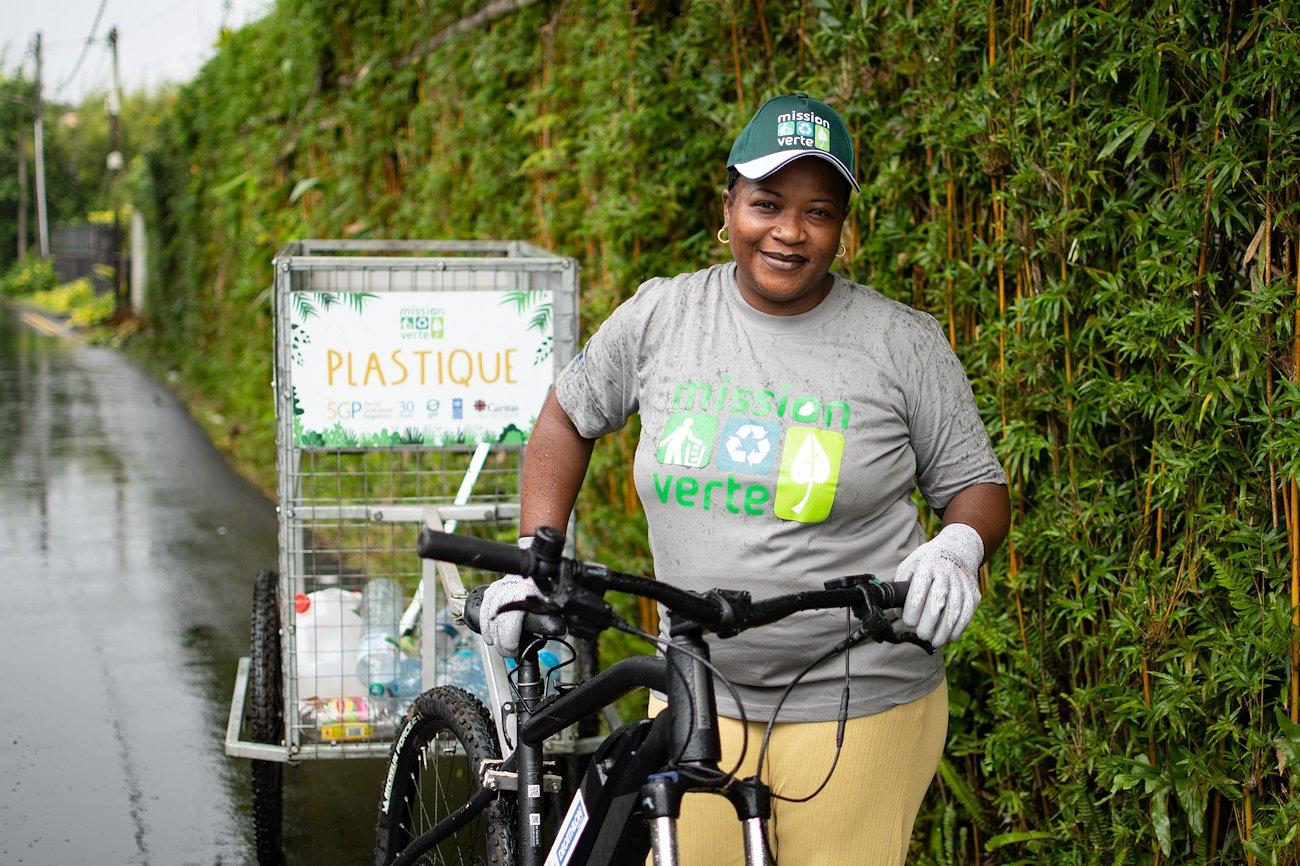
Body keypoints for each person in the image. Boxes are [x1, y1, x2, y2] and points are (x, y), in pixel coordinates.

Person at [479, 93, 1011, 866]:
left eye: (818, 211)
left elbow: (977, 483)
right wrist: (538, 553)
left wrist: (959, 545)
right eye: (766, 203)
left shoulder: (902, 344)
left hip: (857, 697)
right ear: (727, 204)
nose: (790, 232)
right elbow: (566, 417)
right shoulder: (663, 316)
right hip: (696, 691)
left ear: (842, 226)